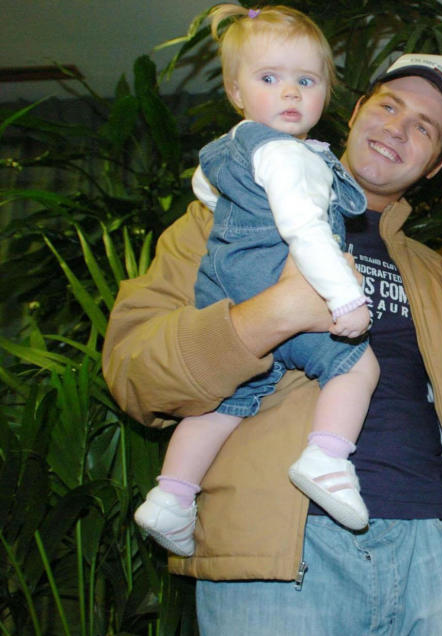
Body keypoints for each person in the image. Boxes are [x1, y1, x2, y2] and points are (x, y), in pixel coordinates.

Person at [103, 47, 442, 632]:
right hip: (282, 553)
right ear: (357, 110)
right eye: (389, 106)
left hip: (434, 553)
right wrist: (271, 314)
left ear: (435, 164)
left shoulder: (435, 274)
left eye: (425, 128)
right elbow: (135, 373)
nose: (398, 129)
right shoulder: (223, 222)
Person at [133, 4, 379, 558]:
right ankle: (327, 458)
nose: (290, 93)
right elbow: (304, 231)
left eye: (306, 80)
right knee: (357, 365)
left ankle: (171, 497)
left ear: (325, 94)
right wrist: (345, 297)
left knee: (225, 403)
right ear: (236, 90)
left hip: (223, 285)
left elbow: (207, 188)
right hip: (276, 274)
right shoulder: (288, 157)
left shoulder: (230, 147)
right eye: (271, 78)